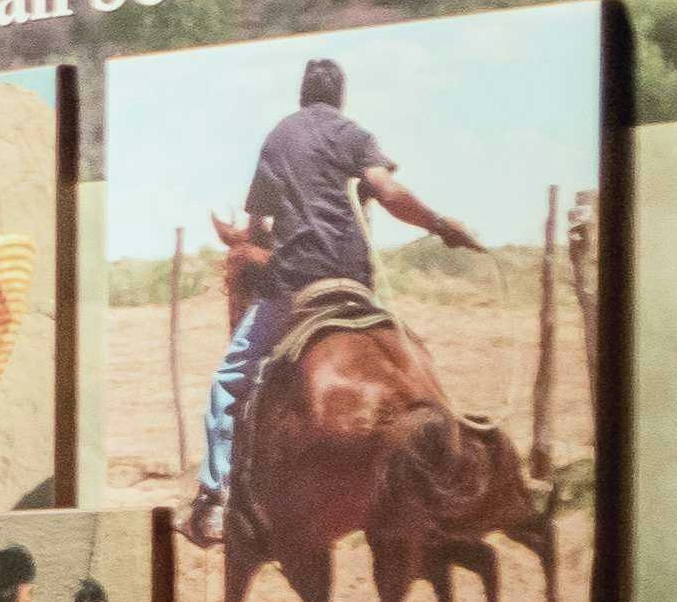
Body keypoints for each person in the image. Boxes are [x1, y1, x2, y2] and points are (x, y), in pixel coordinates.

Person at [197, 53, 480, 540]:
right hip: (357, 284)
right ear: (339, 97)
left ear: (302, 95)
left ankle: (215, 497)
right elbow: (386, 190)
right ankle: (455, 465)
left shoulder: (278, 138)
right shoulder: (354, 135)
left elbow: (260, 225)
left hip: (295, 287)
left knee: (228, 380)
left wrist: (251, 235)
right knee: (411, 355)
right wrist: (439, 225)